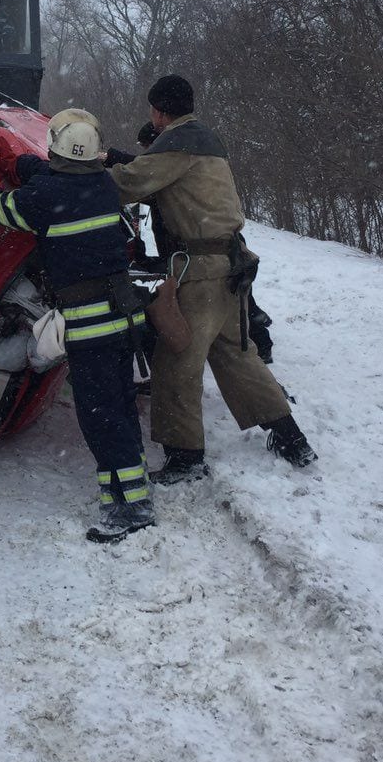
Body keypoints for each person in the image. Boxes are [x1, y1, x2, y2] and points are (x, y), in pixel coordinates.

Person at [107, 75, 317, 483]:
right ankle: (291, 438)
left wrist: (80, 170)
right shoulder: (206, 141)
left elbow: (129, 183)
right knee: (237, 355)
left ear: (158, 111)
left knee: (176, 361)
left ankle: (186, 458)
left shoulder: (176, 143)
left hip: (199, 271)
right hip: (231, 265)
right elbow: (159, 180)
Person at [0, 110, 154, 544]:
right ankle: (134, 487)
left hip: (90, 327)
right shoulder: (105, 185)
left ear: (56, 149)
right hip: (124, 317)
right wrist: (15, 162)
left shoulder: (43, 197)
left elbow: (1, 208)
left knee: (100, 416)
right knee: (119, 406)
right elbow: (59, 175)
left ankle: (130, 507)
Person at [125, 123, 275, 365]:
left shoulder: (172, 168)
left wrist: (112, 159)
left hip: (211, 254)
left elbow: (145, 179)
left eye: (146, 147)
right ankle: (251, 342)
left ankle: (259, 343)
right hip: (211, 252)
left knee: (237, 304)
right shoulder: (180, 165)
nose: (145, 153)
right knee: (236, 304)